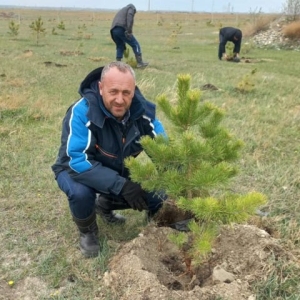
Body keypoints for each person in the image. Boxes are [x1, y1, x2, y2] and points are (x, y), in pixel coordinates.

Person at [51, 62, 166, 257]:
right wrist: (122, 186)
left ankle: (108, 206)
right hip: (74, 171)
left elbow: (165, 151)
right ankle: (88, 232)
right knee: (81, 194)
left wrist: (179, 179)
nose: (120, 100)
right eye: (113, 92)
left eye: (126, 93)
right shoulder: (82, 112)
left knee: (159, 191)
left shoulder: (143, 112)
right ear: (101, 88)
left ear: (133, 91)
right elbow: (76, 160)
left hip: (116, 170)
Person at [110, 4, 148, 68]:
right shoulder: (131, 8)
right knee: (135, 44)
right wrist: (129, 31)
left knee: (120, 45)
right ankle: (140, 63)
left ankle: (118, 63)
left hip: (113, 30)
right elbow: (129, 18)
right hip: (121, 28)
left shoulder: (123, 9)